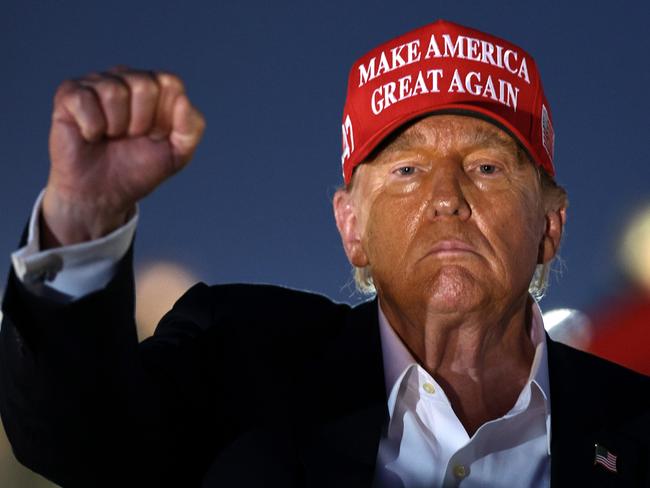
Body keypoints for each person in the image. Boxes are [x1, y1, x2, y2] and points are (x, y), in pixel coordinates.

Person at [1, 19, 648, 488]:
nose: (446, 198)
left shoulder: (635, 423)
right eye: (405, 171)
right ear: (351, 227)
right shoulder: (239, 363)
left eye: (484, 167)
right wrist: (83, 222)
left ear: (550, 225)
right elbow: (78, 442)